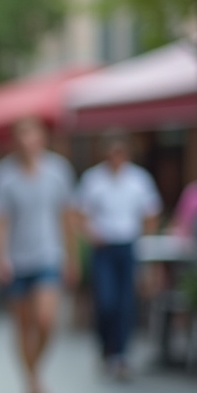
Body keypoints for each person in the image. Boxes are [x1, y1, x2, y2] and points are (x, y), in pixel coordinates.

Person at [0, 118, 79, 393]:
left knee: (46, 319)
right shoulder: (2, 175)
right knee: (24, 325)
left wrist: (73, 257)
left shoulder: (58, 171)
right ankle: (32, 382)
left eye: (33, 135)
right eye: (22, 137)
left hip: (49, 255)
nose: (28, 143)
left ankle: (35, 371)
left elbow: (66, 217)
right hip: (17, 260)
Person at [76, 131, 161, 379]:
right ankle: (106, 347)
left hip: (128, 246)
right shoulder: (93, 179)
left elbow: (150, 214)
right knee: (106, 301)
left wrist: (145, 243)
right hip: (104, 248)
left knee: (125, 303)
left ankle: (120, 355)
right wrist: (91, 233)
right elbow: (79, 214)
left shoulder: (139, 179)